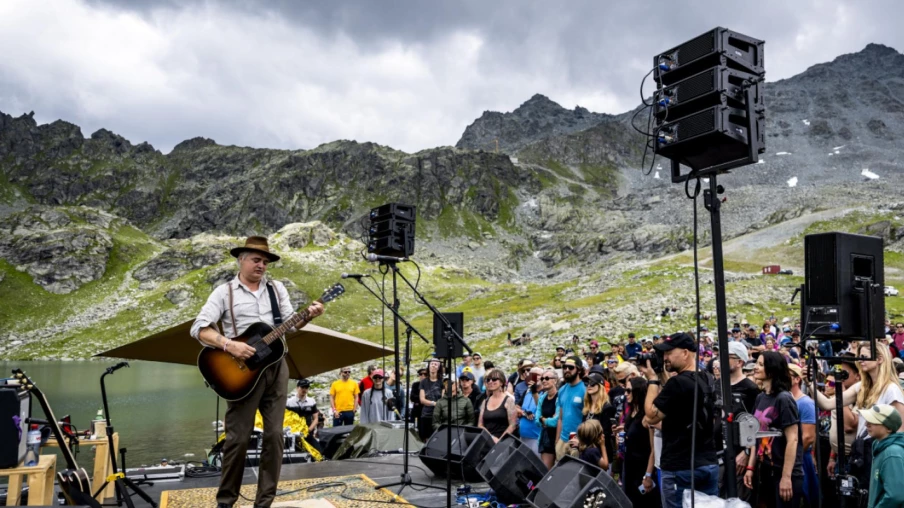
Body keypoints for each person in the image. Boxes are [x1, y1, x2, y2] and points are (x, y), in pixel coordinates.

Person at [191, 236, 324, 508]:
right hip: (240, 373)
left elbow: (290, 324)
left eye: (265, 261)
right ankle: (226, 502)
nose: (261, 265)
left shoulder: (277, 289)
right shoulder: (223, 292)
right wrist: (229, 345)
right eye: (256, 259)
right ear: (241, 260)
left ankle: (264, 503)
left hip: (276, 369)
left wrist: (307, 315)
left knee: (275, 436)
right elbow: (199, 329)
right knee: (238, 439)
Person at [640, 333, 719, 508]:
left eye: (668, 353)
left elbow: (651, 415)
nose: (664, 358)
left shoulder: (677, 383)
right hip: (707, 463)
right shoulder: (707, 378)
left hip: (680, 467)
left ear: (685, 353)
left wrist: (652, 380)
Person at [813, 343, 904, 487]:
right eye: (859, 357)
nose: (860, 360)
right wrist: (810, 381)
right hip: (863, 452)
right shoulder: (862, 386)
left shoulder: (891, 389)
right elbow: (828, 404)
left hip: (882, 452)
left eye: (864, 357)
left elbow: (900, 431)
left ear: (880, 359)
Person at [744, 351, 803, 508]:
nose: (756, 368)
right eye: (757, 363)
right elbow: (755, 435)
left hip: (783, 472)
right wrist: (751, 467)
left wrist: (786, 477)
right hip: (764, 470)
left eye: (761, 365)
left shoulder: (784, 399)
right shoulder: (760, 398)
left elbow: (793, 439)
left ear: (773, 369)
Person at [622, 377, 658, 507]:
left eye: (629, 391)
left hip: (642, 469)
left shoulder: (646, 417)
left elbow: (653, 449)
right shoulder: (631, 413)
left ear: (638, 391)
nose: (626, 394)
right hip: (629, 466)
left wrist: (648, 475)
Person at [862, 404, 904, 507]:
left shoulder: (892, 453)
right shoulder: (879, 446)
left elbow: (896, 495)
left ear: (889, 428)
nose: (867, 424)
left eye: (873, 421)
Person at [788, 363, 818, 504]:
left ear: (797, 379)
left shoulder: (805, 403)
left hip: (800, 459)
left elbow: (808, 437)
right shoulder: (786, 399)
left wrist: (790, 460)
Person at [581, 371, 616, 468]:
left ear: (600, 386)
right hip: (588, 453)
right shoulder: (586, 407)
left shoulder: (607, 408)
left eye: (592, 383)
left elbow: (604, 433)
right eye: (587, 383)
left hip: (601, 453)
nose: (589, 385)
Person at [556, 357, 587, 460]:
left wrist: (582, 442)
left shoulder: (585, 390)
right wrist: (557, 441)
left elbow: (588, 419)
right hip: (563, 439)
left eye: (571, 367)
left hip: (578, 441)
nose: (567, 370)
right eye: (564, 367)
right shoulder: (562, 390)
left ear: (578, 370)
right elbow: (560, 418)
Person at [478, 369, 518, 442]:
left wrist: (499, 440)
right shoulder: (485, 401)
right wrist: (491, 437)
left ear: (501, 382)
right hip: (487, 440)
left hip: (504, 441)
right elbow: (480, 424)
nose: (490, 382)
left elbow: (513, 425)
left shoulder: (508, 400)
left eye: (494, 379)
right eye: (488, 380)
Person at [537, 368, 560, 469]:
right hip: (546, 437)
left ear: (555, 380)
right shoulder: (542, 397)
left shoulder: (560, 396)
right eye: (542, 378)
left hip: (559, 437)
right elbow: (537, 420)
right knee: (546, 470)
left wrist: (544, 419)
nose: (544, 380)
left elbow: (556, 422)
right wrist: (544, 419)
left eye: (547, 378)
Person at [518, 367, 544, 454]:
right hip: (523, 435)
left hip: (537, 437)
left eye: (538, 375)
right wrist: (523, 413)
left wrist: (534, 391)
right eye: (533, 375)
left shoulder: (545, 393)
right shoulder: (527, 391)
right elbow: (516, 407)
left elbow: (542, 407)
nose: (535, 377)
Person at [418, 358, 444, 441]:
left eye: (436, 364)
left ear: (438, 368)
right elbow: (422, 400)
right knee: (426, 438)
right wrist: (434, 403)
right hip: (426, 414)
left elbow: (442, 399)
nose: (433, 366)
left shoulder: (442, 382)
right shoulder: (423, 382)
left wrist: (437, 404)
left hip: (438, 415)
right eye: (432, 364)